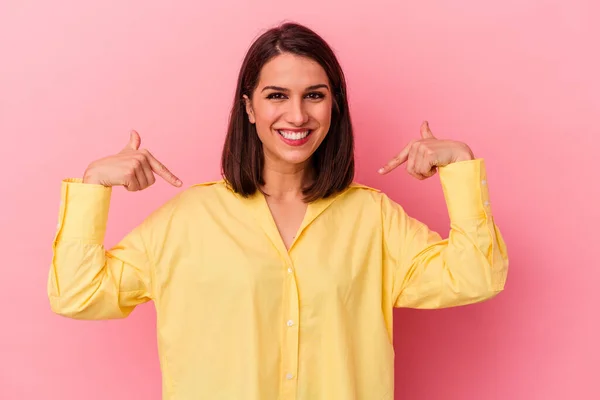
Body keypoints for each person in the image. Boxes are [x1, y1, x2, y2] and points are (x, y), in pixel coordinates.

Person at [48, 22, 508, 400]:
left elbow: (475, 276)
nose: (297, 115)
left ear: (334, 107)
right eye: (276, 96)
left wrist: (462, 168)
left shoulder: (374, 218)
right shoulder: (187, 220)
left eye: (314, 95)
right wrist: (93, 186)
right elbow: (78, 295)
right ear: (248, 108)